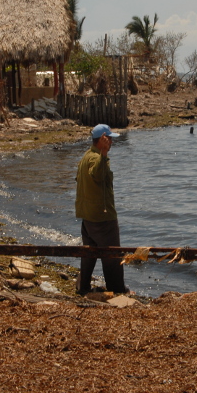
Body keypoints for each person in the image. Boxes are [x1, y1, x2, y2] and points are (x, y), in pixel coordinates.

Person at [74, 124, 127, 295]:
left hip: (88, 216)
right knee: (112, 256)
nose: (111, 142)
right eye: (109, 138)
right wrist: (103, 154)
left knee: (89, 255)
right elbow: (96, 174)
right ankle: (117, 290)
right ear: (102, 140)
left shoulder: (86, 156)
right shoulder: (96, 158)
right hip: (102, 217)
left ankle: (83, 287)